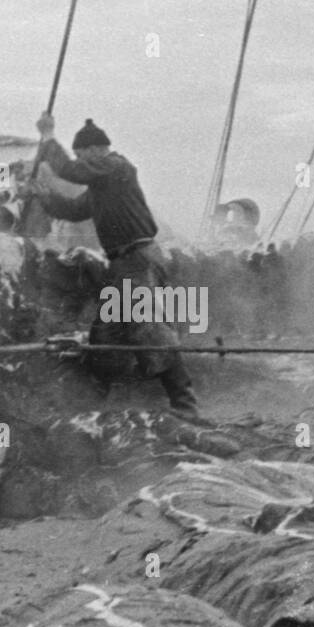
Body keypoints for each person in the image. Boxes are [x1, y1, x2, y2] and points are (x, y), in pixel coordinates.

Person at [23, 113, 198, 417]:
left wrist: (49, 137)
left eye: (81, 155)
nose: (81, 162)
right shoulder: (103, 187)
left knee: (149, 328)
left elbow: (69, 170)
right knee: (106, 335)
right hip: (122, 264)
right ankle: (98, 403)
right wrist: (43, 196)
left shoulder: (117, 167)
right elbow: (75, 210)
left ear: (95, 151)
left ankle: (184, 404)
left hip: (138, 259)